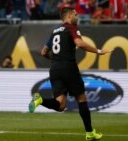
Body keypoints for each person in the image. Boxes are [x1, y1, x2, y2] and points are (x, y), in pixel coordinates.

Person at [28, 6, 112, 141]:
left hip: (55, 69)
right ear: (68, 16)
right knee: (81, 99)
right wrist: (98, 51)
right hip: (68, 67)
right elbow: (79, 43)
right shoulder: (71, 27)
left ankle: (40, 100)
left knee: (60, 105)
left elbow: (43, 52)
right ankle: (90, 133)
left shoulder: (54, 31)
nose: (77, 17)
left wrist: (55, 60)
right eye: (76, 14)